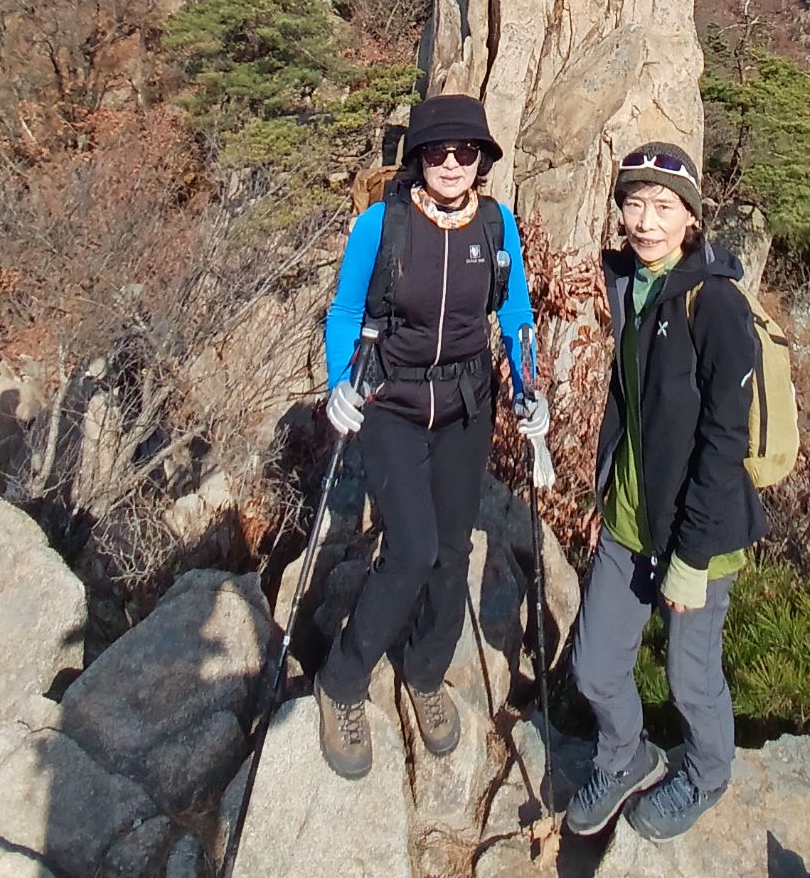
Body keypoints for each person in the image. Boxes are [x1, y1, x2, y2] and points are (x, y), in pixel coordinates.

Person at [315, 93, 549, 779]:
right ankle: (343, 679)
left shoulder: (496, 226)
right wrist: (340, 383)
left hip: (467, 405)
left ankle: (424, 671)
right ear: (418, 156)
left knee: (452, 551)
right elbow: (346, 311)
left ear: (481, 159)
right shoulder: (381, 225)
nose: (451, 163)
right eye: (438, 151)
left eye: (465, 151)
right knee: (412, 549)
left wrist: (528, 386)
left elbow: (516, 312)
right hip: (390, 400)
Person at [566, 143, 767, 842]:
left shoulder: (717, 305)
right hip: (629, 518)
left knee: (691, 678)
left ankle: (708, 774)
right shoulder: (627, 281)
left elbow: (724, 442)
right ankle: (625, 755)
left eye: (663, 206)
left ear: (691, 218)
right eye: (633, 203)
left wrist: (693, 557)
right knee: (594, 668)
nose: (645, 222)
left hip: (698, 530)